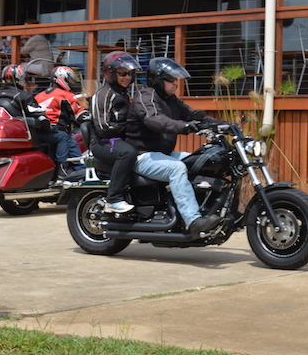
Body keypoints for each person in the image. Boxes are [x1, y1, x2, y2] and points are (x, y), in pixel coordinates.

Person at [125, 57, 222, 235]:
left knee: (198, 162)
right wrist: (184, 127)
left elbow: (192, 114)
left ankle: (211, 210)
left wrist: (222, 125)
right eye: (170, 80)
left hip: (162, 155)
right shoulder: (145, 97)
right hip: (142, 156)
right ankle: (193, 220)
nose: (175, 83)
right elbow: (155, 120)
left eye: (176, 79)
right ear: (157, 79)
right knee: (177, 168)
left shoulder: (170, 99)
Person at [0, 64, 77, 182]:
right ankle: (62, 172)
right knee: (63, 137)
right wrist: (48, 128)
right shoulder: (24, 96)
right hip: (28, 133)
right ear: (21, 78)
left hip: (6, 133)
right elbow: (42, 118)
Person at [89, 52, 141, 213]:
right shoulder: (104, 95)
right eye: (122, 73)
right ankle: (114, 198)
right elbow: (103, 128)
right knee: (128, 153)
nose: (127, 77)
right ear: (110, 74)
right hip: (103, 142)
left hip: (119, 139)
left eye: (129, 74)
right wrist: (129, 126)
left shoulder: (123, 94)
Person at [34, 66, 86, 170]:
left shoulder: (38, 95)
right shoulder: (66, 95)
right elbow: (80, 114)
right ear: (62, 79)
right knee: (70, 142)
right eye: (69, 80)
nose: (71, 83)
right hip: (56, 131)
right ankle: (76, 171)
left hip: (38, 132)